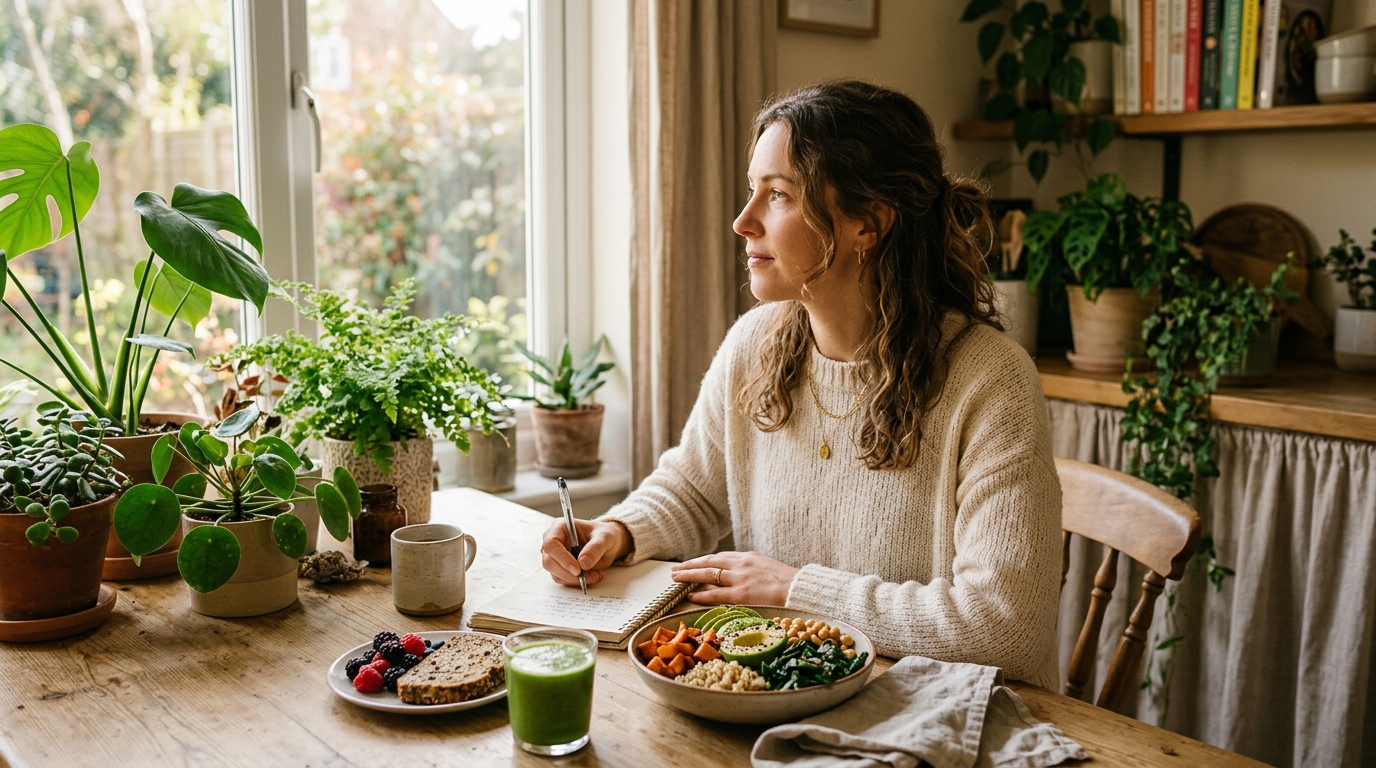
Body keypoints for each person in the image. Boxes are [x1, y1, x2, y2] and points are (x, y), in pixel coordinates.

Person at [539, 80, 1062, 687]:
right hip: (797, 700)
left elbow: (1008, 629)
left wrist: (795, 589)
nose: (742, 222)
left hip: (952, 718)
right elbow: (695, 488)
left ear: (868, 225)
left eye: (779, 195)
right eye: (751, 191)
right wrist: (619, 531)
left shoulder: (991, 380)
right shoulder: (754, 343)